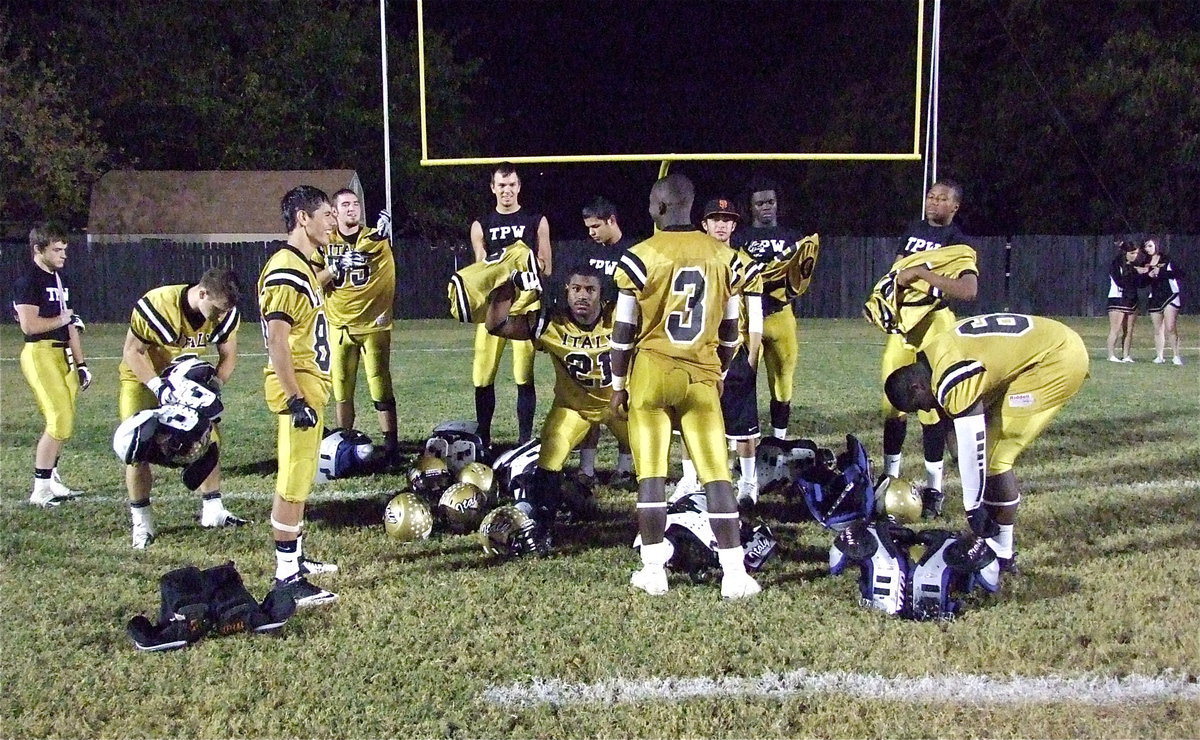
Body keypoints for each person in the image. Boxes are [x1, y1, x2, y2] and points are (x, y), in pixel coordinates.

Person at [610, 173, 760, 599]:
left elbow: (623, 332)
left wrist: (618, 384)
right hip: (701, 375)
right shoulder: (725, 257)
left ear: (659, 207)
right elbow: (731, 331)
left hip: (652, 373)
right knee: (717, 476)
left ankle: (653, 570)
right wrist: (720, 370)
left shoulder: (641, 256)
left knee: (652, 474)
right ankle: (735, 573)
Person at [884, 313, 1090, 573]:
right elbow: (955, 424)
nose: (926, 409)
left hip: (1055, 361)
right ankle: (995, 546)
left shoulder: (950, 378)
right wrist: (963, 464)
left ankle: (1002, 554)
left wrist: (973, 508)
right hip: (1052, 343)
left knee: (994, 457)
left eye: (919, 405)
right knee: (986, 447)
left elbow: (974, 445)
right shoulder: (933, 354)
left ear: (917, 387)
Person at [485, 263, 631, 539]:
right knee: (549, 459)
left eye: (590, 290)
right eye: (576, 289)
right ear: (567, 290)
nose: (582, 295)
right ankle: (543, 527)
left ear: (601, 293)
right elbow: (497, 325)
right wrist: (509, 286)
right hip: (573, 408)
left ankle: (659, 528)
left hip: (619, 405)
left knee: (651, 466)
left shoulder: (619, 316)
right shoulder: (552, 321)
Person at [118, 267, 247, 548]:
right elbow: (132, 352)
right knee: (137, 445)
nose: (220, 316)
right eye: (217, 310)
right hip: (144, 379)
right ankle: (142, 522)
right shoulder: (159, 304)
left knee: (210, 438)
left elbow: (228, 355)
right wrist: (159, 387)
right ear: (202, 293)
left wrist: (214, 386)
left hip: (184, 383)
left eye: (225, 311)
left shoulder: (224, 313)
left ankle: (213, 509)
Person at [870, 179, 977, 513]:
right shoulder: (913, 230)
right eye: (931, 196)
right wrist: (885, 301)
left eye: (942, 198)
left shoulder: (958, 241)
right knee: (893, 403)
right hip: (904, 325)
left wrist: (922, 276)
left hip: (934, 324)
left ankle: (934, 488)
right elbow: (896, 274)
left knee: (931, 408)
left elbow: (967, 290)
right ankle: (890, 477)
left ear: (955, 206)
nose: (934, 202)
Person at [259, 185, 340, 608]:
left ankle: (297, 558)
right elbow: (277, 339)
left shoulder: (302, 265)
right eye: (326, 214)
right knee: (293, 479)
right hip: (299, 385)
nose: (333, 222)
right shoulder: (287, 267)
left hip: (311, 381)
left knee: (302, 475)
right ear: (302, 218)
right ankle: (286, 577)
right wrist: (294, 398)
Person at [676, 197, 764, 508]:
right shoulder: (693, 260)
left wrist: (752, 358)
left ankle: (748, 482)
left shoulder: (746, 264)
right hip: (701, 350)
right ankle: (691, 478)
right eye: (716, 219)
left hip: (735, 350)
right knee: (691, 418)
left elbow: (755, 316)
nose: (722, 225)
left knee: (742, 425)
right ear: (704, 224)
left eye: (727, 219)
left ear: (735, 225)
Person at [311, 188, 400, 466]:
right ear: (334, 212)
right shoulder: (325, 242)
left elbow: (387, 254)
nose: (352, 209)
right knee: (342, 388)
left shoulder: (375, 237)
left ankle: (391, 446)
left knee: (380, 385)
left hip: (373, 324)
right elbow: (312, 281)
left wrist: (388, 235)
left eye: (355, 203)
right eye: (345, 205)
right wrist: (335, 267)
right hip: (339, 324)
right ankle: (344, 443)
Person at [466, 163, 552, 445]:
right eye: (502, 185)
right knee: (482, 375)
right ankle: (484, 438)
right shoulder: (481, 224)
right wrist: (506, 272)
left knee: (523, 376)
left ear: (519, 186)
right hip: (493, 309)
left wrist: (525, 267)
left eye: (512, 184)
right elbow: (482, 272)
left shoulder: (535, 220)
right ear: (493, 188)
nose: (507, 190)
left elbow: (546, 267)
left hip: (525, 308)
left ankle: (524, 441)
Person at [730, 177, 819, 439]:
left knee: (783, 381)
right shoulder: (740, 237)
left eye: (770, 201)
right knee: (741, 379)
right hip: (748, 316)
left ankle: (779, 439)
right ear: (751, 207)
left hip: (781, 314)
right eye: (760, 203)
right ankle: (739, 438)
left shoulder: (793, 237)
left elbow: (802, 274)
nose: (766, 207)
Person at [13, 223, 90, 507]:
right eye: (56, 250)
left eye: (64, 249)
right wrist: (63, 319)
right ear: (38, 249)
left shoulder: (60, 279)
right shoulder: (28, 281)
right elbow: (29, 326)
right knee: (59, 420)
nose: (63, 254)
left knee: (65, 422)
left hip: (63, 354)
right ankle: (41, 489)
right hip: (40, 353)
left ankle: (52, 480)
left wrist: (81, 363)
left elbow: (70, 325)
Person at [573, 196, 637, 485]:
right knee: (589, 397)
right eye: (588, 227)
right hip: (593, 337)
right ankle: (587, 468)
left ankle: (624, 468)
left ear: (612, 220)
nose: (592, 232)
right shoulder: (588, 252)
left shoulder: (633, 252)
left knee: (623, 400)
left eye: (596, 226)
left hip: (623, 336)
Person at [1141, 237, 1183, 365]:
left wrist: (1161, 272)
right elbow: (1142, 283)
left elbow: (1179, 274)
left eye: (1150, 246)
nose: (1148, 249)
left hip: (1169, 295)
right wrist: (1148, 275)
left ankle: (1176, 356)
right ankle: (1159, 356)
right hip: (1155, 297)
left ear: (1156, 245)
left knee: (1170, 327)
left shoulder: (1166, 259)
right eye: (1146, 246)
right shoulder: (1145, 262)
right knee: (1157, 329)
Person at [1106, 240, 1144, 363]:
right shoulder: (1116, 264)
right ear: (1125, 253)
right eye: (1132, 253)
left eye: (1136, 253)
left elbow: (1140, 284)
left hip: (1132, 299)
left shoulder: (1135, 265)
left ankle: (1126, 355)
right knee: (1115, 329)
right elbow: (1120, 281)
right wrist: (1135, 272)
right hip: (1117, 298)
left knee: (1129, 329)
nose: (1135, 256)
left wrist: (1147, 274)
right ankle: (1111, 355)